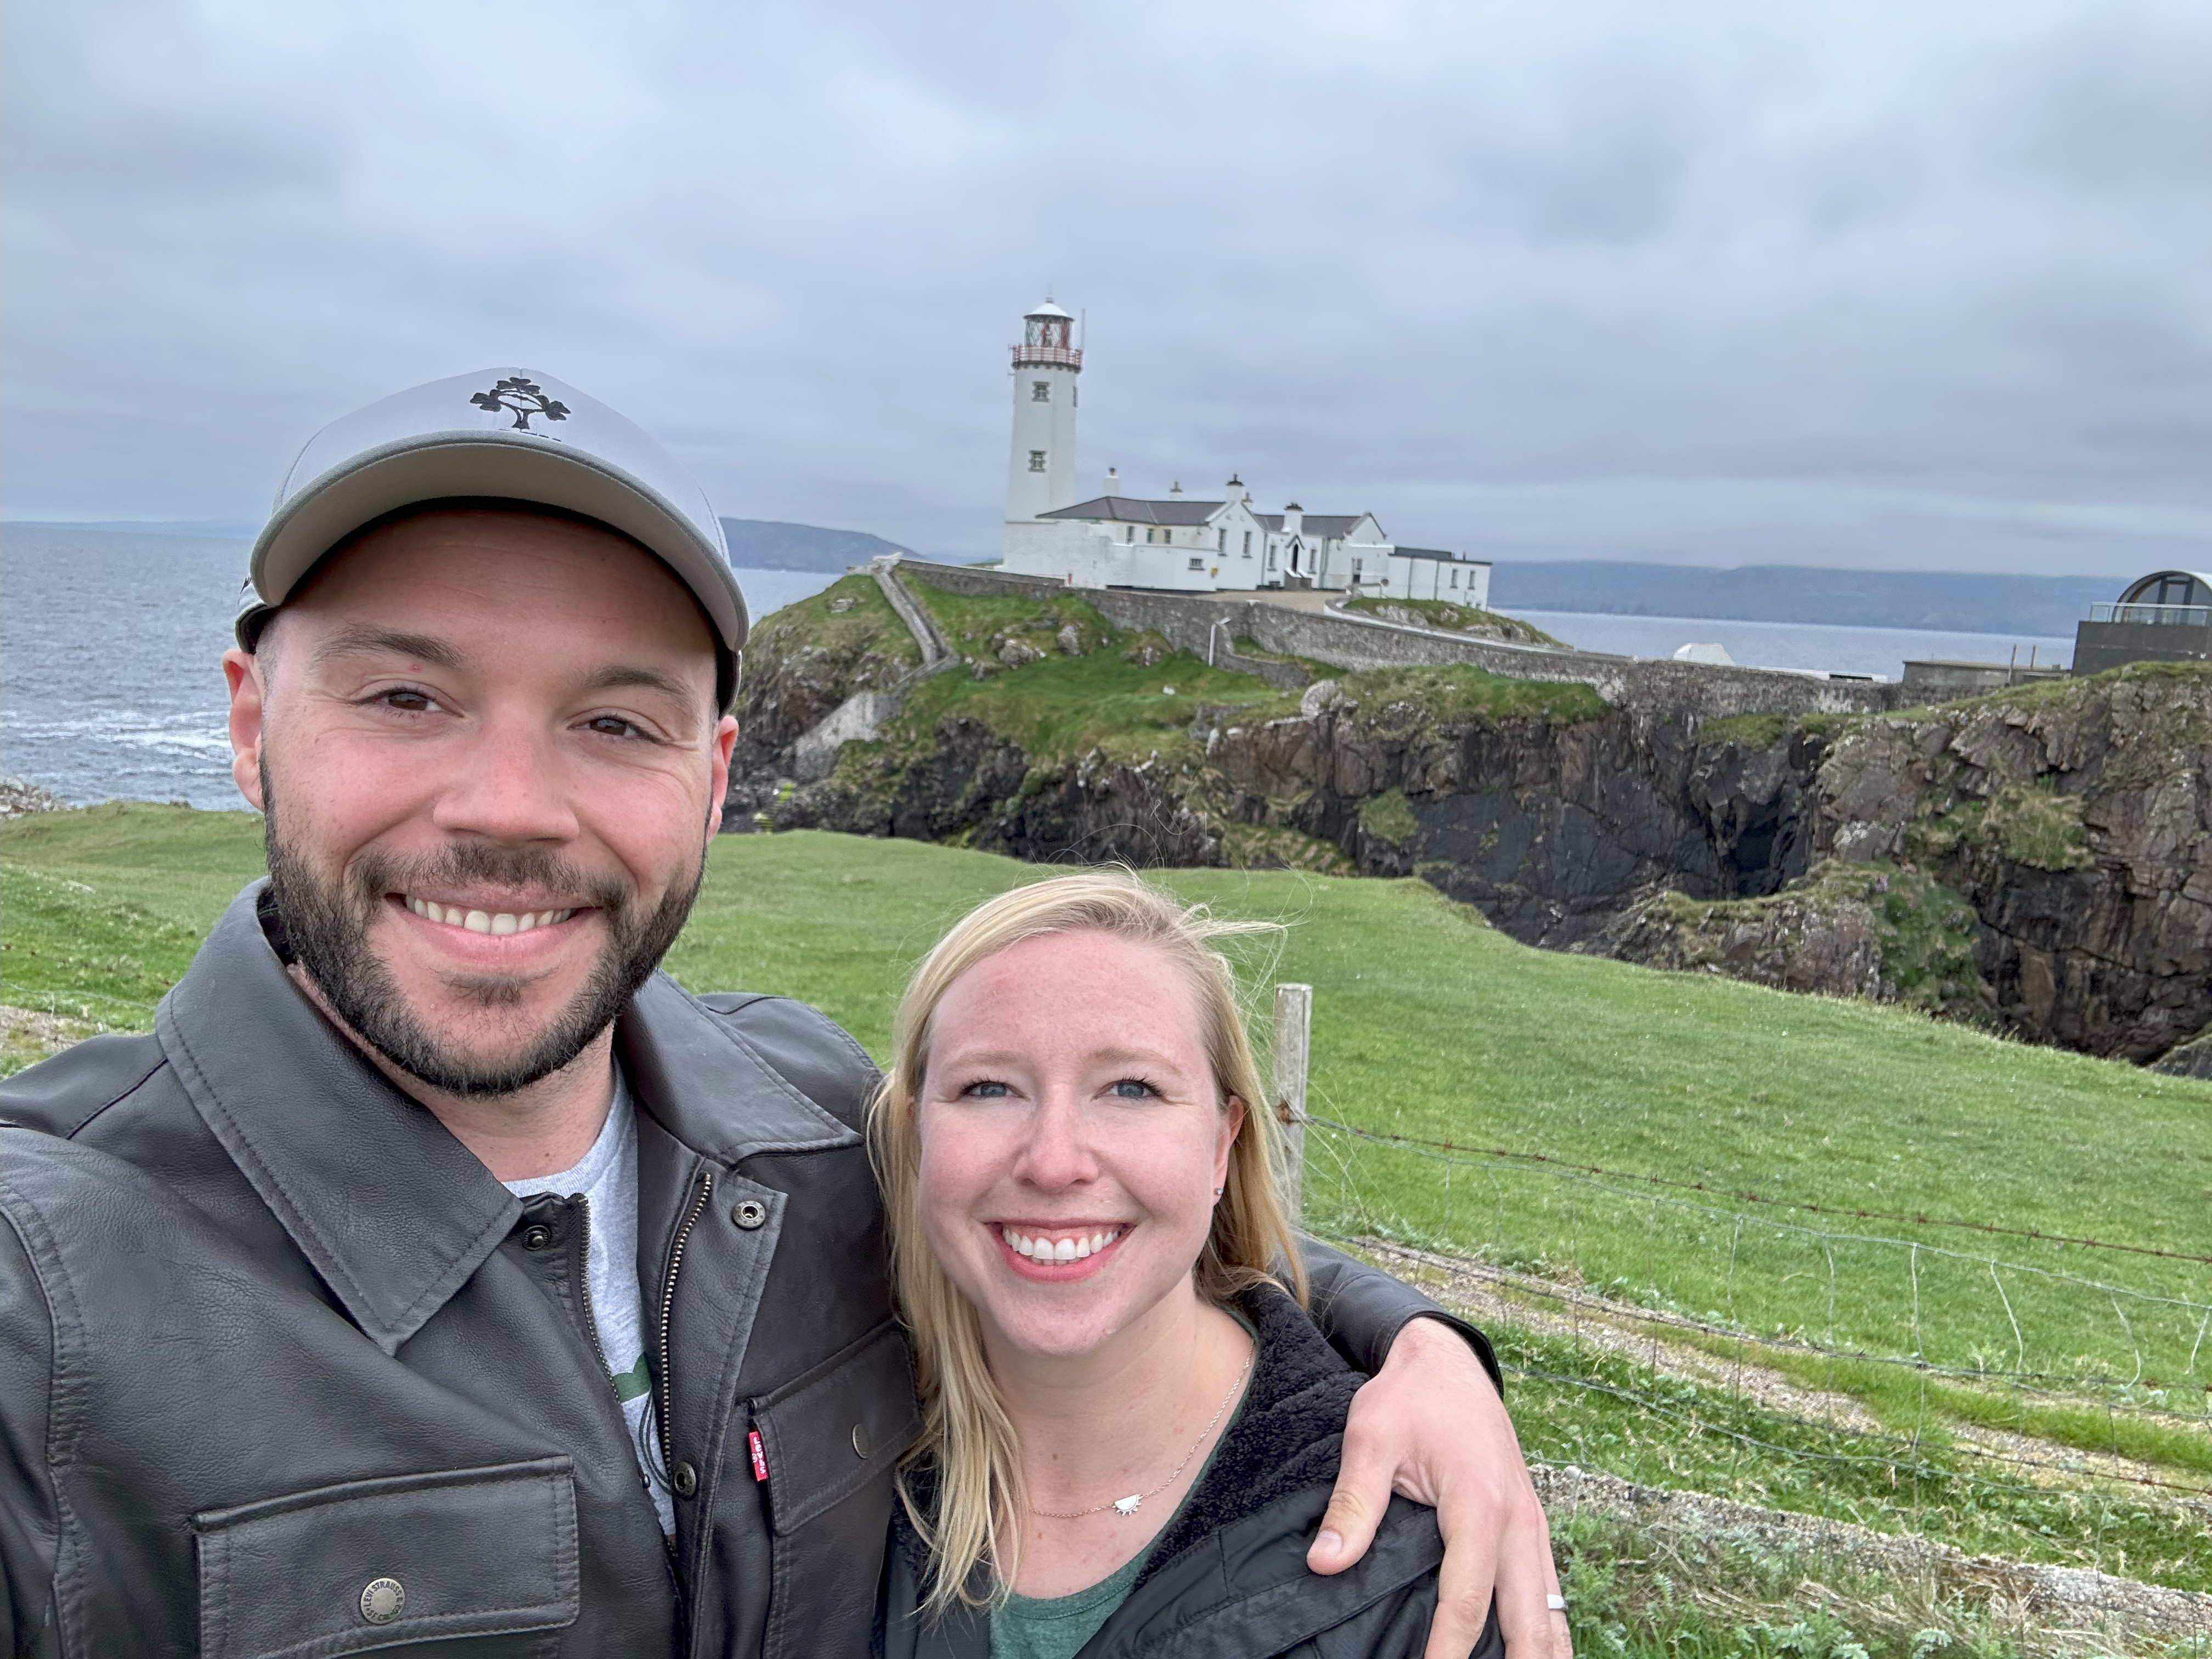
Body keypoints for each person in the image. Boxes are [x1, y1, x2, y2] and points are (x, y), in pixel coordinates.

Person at [0, 369, 1566, 1658]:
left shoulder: (806, 1115)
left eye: (616, 721)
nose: (510, 806)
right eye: (406, 695)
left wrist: (1417, 1352)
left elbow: (1077, 1192)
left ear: (720, 775)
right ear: (250, 722)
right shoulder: (43, 1296)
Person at [873, 872, 1505, 1659]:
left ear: (1220, 1144)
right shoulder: (821, 1450)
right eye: (989, 1087)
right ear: (917, 1134)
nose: (1054, 1162)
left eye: (1131, 1088)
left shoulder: (1408, 1560)